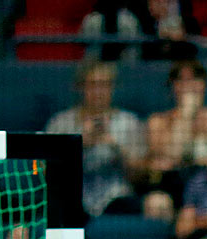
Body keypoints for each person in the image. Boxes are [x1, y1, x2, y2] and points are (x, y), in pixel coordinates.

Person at [44, 60, 146, 218]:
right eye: (92, 85)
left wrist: (116, 148)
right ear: (80, 87)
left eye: (104, 85)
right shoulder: (61, 123)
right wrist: (81, 145)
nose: (98, 91)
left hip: (118, 199)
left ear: (113, 88)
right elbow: (46, 172)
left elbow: (140, 176)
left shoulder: (129, 123)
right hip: (72, 198)